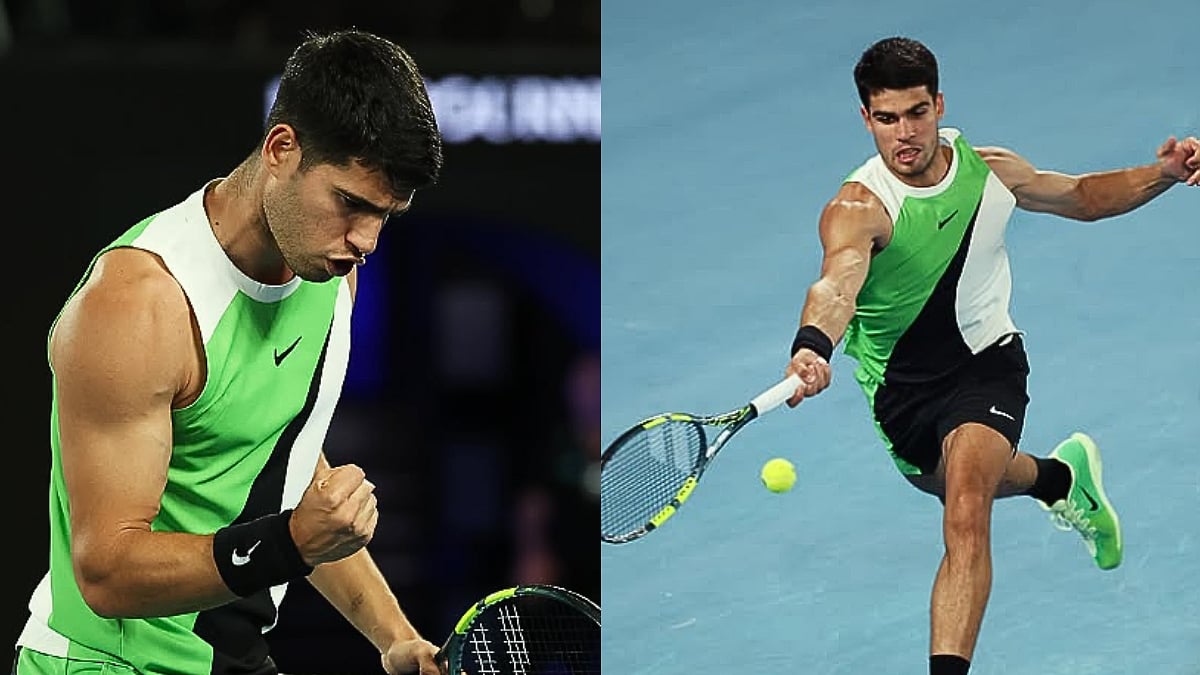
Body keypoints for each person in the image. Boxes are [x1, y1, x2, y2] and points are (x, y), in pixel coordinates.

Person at [12, 28, 445, 675]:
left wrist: (394, 637)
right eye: (350, 203)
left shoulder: (330, 278)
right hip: (105, 662)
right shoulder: (140, 303)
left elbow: (282, 463)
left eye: (385, 214)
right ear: (281, 149)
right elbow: (104, 572)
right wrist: (291, 541)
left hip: (227, 656)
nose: (366, 240)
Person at [782, 36, 1199, 675]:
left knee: (966, 509)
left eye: (917, 113)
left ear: (939, 105)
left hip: (985, 361)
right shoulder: (858, 208)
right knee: (950, 480)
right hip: (900, 393)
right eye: (887, 118)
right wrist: (812, 345)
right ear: (866, 119)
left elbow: (1082, 196)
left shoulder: (989, 171)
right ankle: (1058, 479)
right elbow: (837, 284)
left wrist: (1163, 174)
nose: (905, 134)